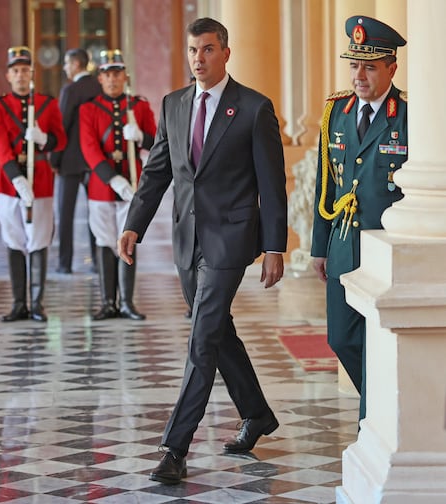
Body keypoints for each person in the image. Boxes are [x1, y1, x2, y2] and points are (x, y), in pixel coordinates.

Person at [118, 18, 288, 484]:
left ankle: (175, 447)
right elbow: (157, 173)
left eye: (209, 50)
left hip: (232, 240)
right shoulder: (173, 104)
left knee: (201, 337)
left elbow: (272, 185)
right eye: (194, 50)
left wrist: (275, 245)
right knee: (215, 332)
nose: (199, 59)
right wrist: (134, 223)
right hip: (186, 240)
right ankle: (256, 413)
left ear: (226, 53)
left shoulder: (253, 108)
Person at [311, 16, 407, 422]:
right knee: (342, 338)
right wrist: (319, 248)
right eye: (354, 65)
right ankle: (385, 411)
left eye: (369, 66)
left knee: (381, 339)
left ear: (391, 68)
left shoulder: (406, 115)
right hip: (345, 241)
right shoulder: (336, 112)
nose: (359, 75)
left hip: (387, 243)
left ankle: (376, 423)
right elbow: (325, 185)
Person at [0, 46, 67, 322]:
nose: (21, 75)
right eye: (16, 71)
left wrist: (44, 139)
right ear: (8, 75)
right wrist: (16, 177)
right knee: (14, 241)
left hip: (41, 181)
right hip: (10, 185)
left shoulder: (48, 104)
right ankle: (18, 303)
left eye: (25, 70)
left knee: (38, 240)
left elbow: (61, 139)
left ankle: (37, 303)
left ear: (32, 74)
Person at [80, 50, 156, 320]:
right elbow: (89, 149)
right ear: (100, 78)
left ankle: (126, 302)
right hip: (102, 186)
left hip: (132, 183)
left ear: (125, 76)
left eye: (117, 74)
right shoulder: (88, 109)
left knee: (128, 240)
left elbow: (157, 144)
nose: (112, 79)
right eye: (107, 74)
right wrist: (113, 179)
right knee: (104, 240)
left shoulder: (139, 106)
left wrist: (141, 137)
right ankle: (107, 302)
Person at [51, 48, 102, 274]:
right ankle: (98, 261)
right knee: (95, 212)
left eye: (66, 63)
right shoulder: (99, 87)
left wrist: (55, 158)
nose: (64, 68)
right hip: (94, 160)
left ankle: (65, 263)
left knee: (65, 214)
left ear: (75, 64)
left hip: (70, 161)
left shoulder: (70, 90)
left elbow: (61, 125)